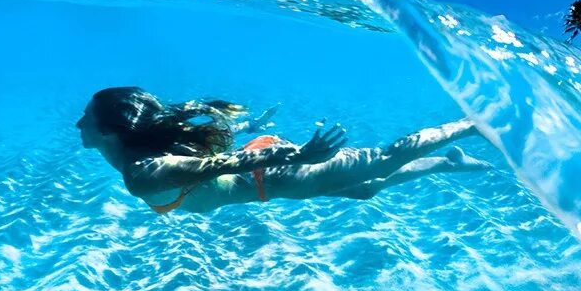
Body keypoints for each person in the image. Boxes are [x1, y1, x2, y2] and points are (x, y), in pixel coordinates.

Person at [76, 87, 490, 215]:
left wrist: (296, 157)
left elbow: (224, 162)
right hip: (269, 176)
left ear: (110, 131)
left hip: (273, 175)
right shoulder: (142, 152)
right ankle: (447, 162)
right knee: (364, 188)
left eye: (87, 119)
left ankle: (469, 125)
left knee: (381, 161)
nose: (78, 124)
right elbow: (213, 153)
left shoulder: (142, 174)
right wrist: (253, 129)